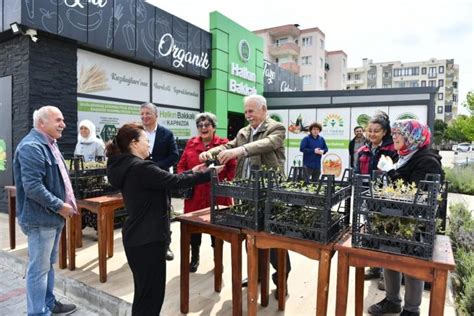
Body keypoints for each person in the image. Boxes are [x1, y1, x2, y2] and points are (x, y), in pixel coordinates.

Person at [106, 123, 221, 315]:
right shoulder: (141, 167)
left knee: (144, 294)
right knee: (152, 297)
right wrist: (209, 173)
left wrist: (194, 171)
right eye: (145, 141)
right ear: (134, 143)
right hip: (148, 239)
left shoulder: (124, 165)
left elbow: (164, 180)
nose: (148, 145)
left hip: (137, 238)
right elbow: (174, 183)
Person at [199, 94, 290, 296]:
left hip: (269, 192)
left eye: (251, 111)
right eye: (246, 111)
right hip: (246, 192)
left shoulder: (276, 128)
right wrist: (211, 152)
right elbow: (229, 146)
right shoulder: (243, 131)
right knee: (250, 235)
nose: (247, 115)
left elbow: (266, 144)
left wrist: (240, 151)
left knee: (274, 238)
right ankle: (256, 273)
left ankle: (281, 280)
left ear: (264, 110)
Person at [369, 119, 443, 316]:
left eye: (399, 133)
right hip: (394, 220)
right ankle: (392, 301)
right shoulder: (402, 156)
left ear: (413, 137)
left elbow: (414, 195)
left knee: (411, 264)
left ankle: (412, 309)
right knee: (390, 258)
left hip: (415, 225)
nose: (394, 136)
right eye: (393, 133)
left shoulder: (427, 160)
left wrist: (391, 172)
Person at [13, 106, 77, 315]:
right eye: (58, 120)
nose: (63, 124)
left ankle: (49, 303)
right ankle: (38, 312)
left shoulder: (49, 144)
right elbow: (33, 187)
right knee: (38, 270)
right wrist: (60, 206)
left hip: (51, 218)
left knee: (46, 266)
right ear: (42, 123)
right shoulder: (32, 146)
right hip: (41, 219)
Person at [177, 112, 237, 273]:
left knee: (217, 231)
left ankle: (218, 262)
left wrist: (227, 182)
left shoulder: (224, 144)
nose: (203, 128)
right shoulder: (191, 144)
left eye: (207, 125)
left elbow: (233, 166)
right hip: (195, 194)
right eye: (200, 125)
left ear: (214, 127)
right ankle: (194, 258)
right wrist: (189, 175)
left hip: (218, 193)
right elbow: (181, 167)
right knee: (194, 230)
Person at [355, 111, 398, 284]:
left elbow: (396, 175)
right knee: (371, 231)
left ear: (385, 132)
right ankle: (374, 267)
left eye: (376, 131)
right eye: (369, 130)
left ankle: (385, 275)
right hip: (368, 197)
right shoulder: (363, 150)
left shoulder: (392, 150)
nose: (372, 134)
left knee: (386, 233)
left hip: (386, 198)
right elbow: (358, 173)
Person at [140, 102, 179, 261]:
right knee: (143, 212)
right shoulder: (137, 133)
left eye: (148, 113)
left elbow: (174, 156)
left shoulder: (166, 134)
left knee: (163, 212)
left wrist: (155, 167)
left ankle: (166, 245)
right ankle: (145, 243)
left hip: (161, 179)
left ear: (156, 115)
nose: (144, 117)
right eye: (142, 114)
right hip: (140, 180)